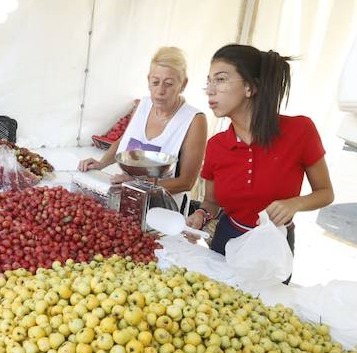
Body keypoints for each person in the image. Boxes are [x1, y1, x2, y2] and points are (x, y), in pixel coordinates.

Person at [186, 44, 334, 264]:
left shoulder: (300, 130)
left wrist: (295, 204)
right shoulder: (216, 145)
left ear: (250, 87)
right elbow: (211, 202)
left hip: (274, 247)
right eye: (209, 81)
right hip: (226, 242)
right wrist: (201, 215)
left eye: (221, 79)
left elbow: (325, 192)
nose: (210, 90)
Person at [77, 46, 208, 212]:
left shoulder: (194, 120)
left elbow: (186, 182)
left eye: (168, 84)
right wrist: (101, 163)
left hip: (164, 210)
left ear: (183, 84)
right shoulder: (143, 105)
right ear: (148, 80)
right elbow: (123, 142)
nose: (160, 91)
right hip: (128, 201)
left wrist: (139, 185)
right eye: (155, 82)